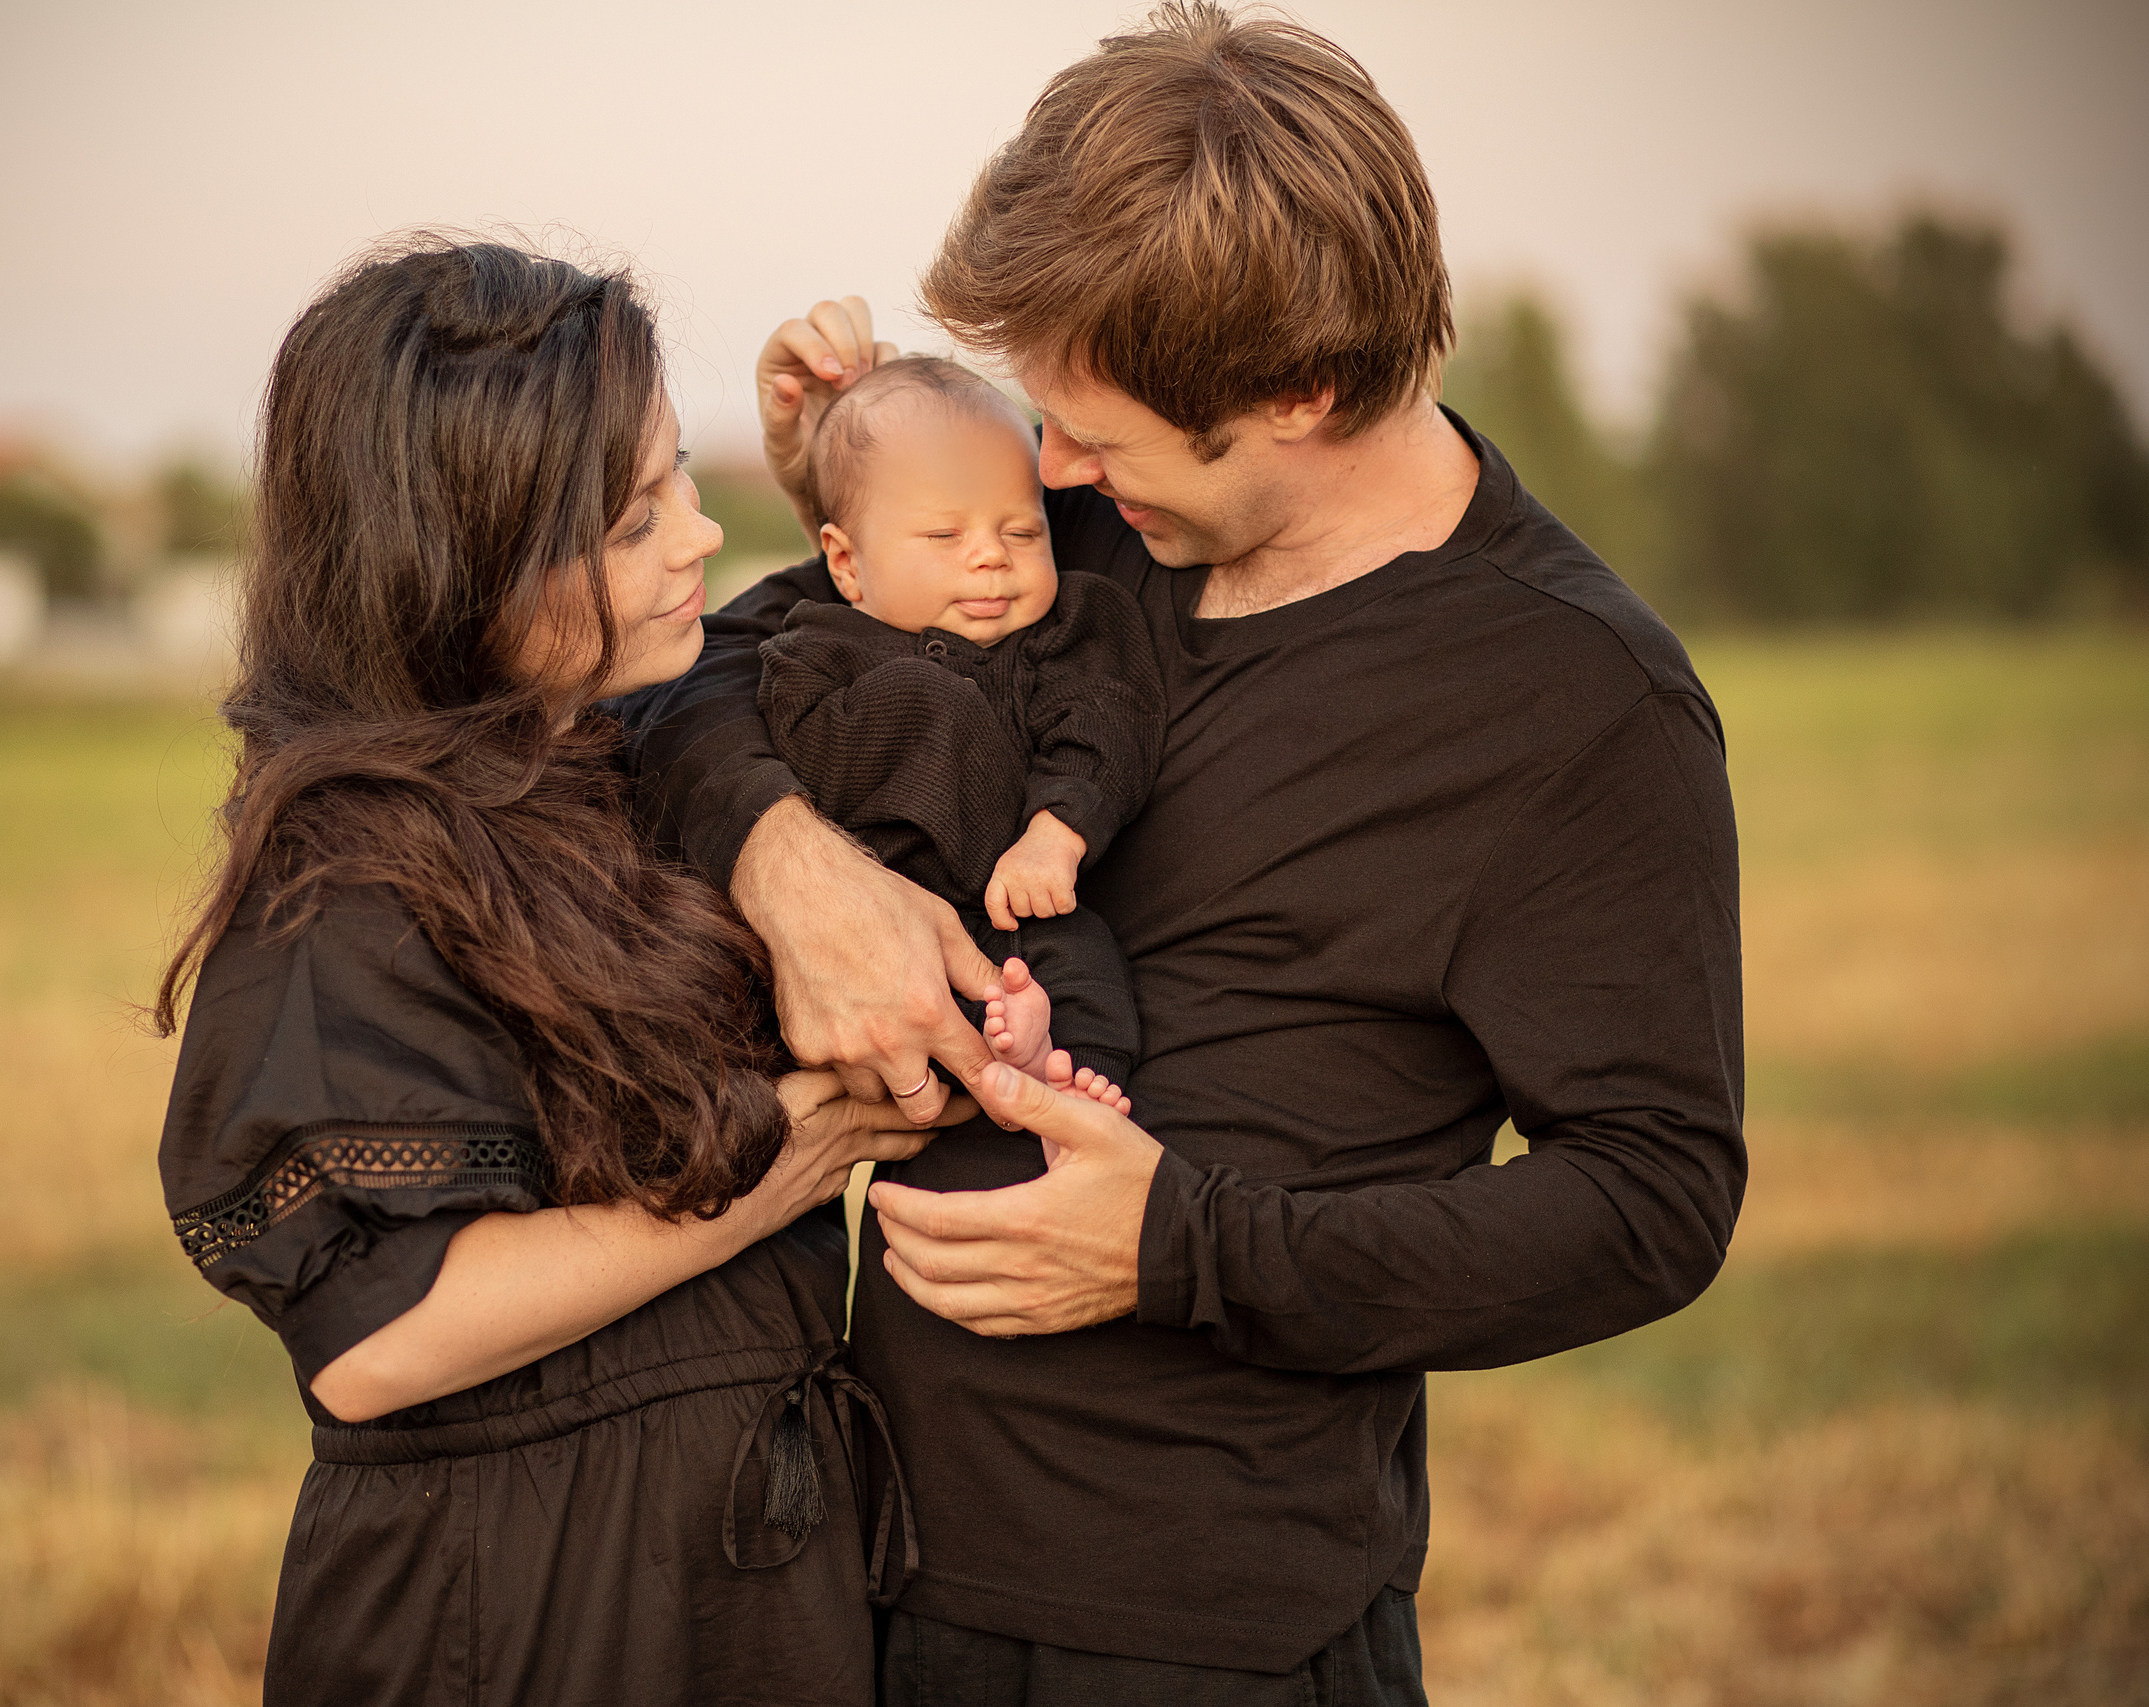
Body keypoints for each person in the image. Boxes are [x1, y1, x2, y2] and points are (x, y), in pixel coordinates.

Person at [621, 6, 1747, 1703]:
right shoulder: (1068, 543)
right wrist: (790, 860)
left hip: (1212, 1641)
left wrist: (1189, 1246)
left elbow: (1655, 1201)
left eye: (1098, 432)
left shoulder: (1580, 701)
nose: (1055, 470)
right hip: (866, 1569)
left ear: (1294, 389)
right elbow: (711, 674)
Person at [152, 240, 952, 1707]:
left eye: (684, 482)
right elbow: (378, 1336)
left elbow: (860, 638)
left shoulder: (601, 759)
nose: (700, 538)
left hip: (726, 1581)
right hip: (524, 1612)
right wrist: (781, 1162)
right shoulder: (347, 876)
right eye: (638, 514)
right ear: (462, 561)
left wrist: (836, 469)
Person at [756, 355, 1162, 1103]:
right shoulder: (817, 654)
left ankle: (1066, 1075)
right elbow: (812, 759)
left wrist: (1054, 834)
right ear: (846, 564)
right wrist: (920, 701)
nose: (990, 556)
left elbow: (1106, 725)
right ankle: (1007, 1056)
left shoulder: (1068, 631)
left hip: (1028, 910)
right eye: (945, 534)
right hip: (885, 931)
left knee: (1088, 967)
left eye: (1022, 530)